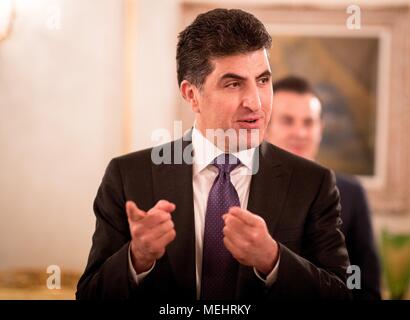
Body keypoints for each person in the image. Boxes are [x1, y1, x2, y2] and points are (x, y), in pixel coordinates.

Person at [76, 9, 351, 300]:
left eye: (262, 80)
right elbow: (89, 296)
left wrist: (274, 260)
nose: (255, 102)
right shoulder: (128, 176)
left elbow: (343, 296)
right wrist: (136, 258)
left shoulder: (312, 183)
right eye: (233, 84)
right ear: (192, 95)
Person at [266, 76, 381, 300]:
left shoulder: (351, 193)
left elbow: (364, 284)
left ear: (320, 129)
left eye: (308, 122)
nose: (300, 132)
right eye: (288, 121)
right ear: (266, 128)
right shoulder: (243, 185)